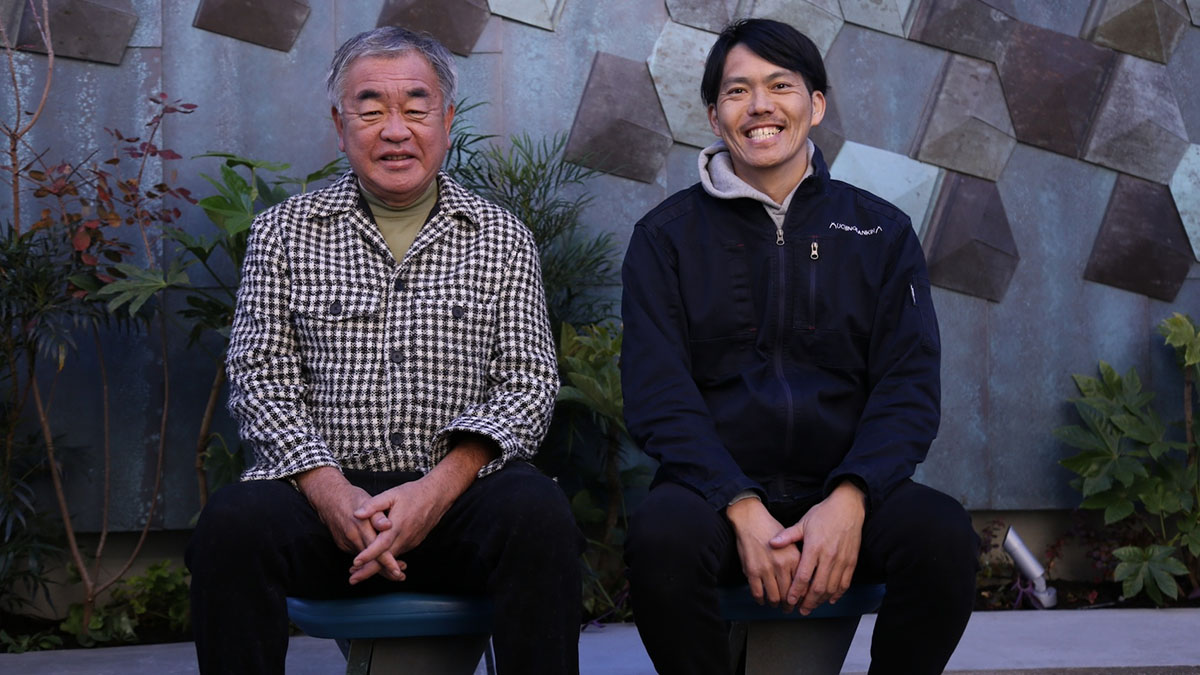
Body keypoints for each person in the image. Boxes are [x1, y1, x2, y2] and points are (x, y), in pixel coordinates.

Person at [186, 26, 581, 675]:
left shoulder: (502, 238)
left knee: (538, 514)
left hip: (458, 501)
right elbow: (261, 378)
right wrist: (329, 491)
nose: (395, 130)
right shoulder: (283, 234)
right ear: (340, 126)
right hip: (324, 504)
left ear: (447, 121)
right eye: (370, 110)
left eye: (415, 108)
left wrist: (435, 490)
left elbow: (527, 385)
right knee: (232, 524)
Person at [621, 18, 978, 674]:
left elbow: (908, 386)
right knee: (659, 537)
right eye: (737, 91)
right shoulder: (665, 237)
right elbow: (657, 391)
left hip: (848, 491)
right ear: (713, 114)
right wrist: (740, 502)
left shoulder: (880, 231)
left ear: (814, 105)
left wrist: (850, 497)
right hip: (713, 497)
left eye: (779, 85)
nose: (759, 105)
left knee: (944, 537)